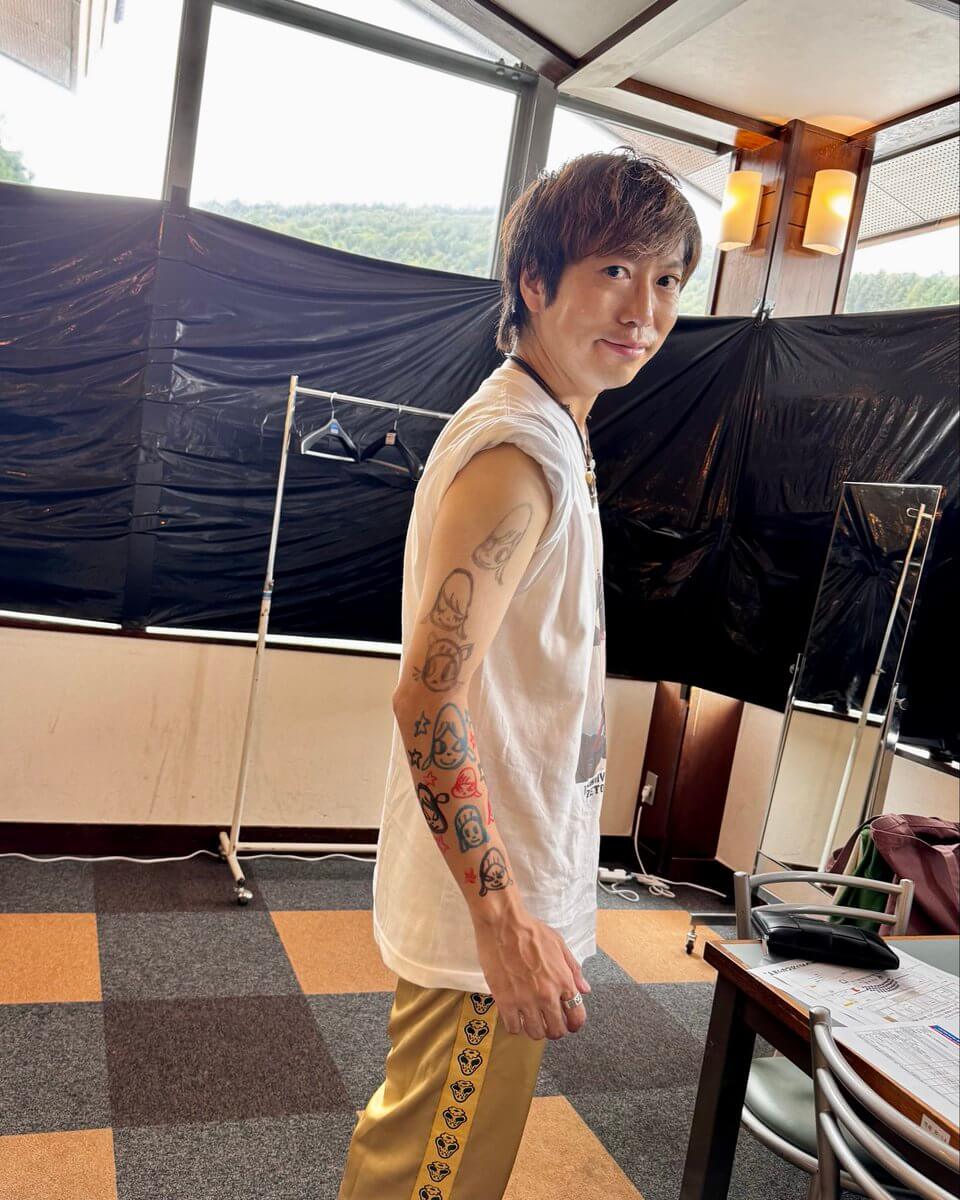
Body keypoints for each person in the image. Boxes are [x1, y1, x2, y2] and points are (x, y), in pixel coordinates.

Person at [338, 148, 701, 1200]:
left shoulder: (555, 429)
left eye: (667, 279)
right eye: (614, 271)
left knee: (445, 1160)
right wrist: (502, 921)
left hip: (518, 869)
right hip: (488, 908)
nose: (644, 310)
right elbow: (427, 698)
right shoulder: (515, 454)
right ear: (535, 281)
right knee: (430, 1175)